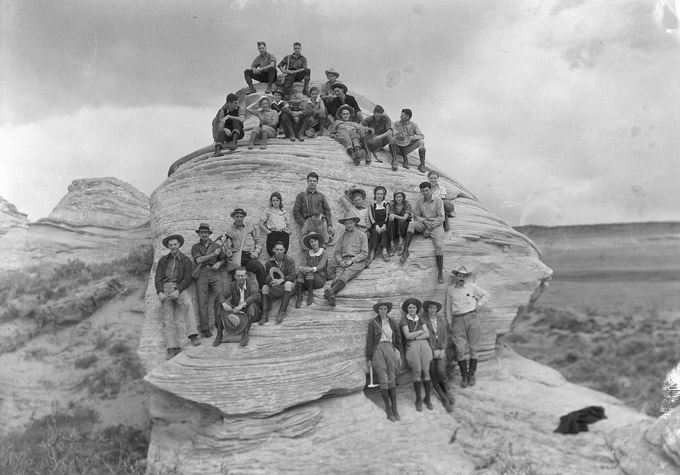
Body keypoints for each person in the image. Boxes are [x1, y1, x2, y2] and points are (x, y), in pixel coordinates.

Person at [155, 234, 200, 360]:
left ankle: (193, 336)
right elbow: (158, 278)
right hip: (165, 288)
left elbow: (187, 278)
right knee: (167, 317)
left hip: (179, 288)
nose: (173, 247)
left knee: (187, 304)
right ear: (168, 247)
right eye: (171, 245)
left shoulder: (185, 260)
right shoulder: (163, 260)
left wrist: (178, 290)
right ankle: (172, 347)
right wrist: (160, 291)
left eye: (175, 244)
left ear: (179, 245)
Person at [446, 266, 489, 388]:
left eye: (464, 276)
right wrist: (449, 321)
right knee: (460, 349)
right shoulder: (450, 289)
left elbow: (486, 295)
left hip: (471, 318)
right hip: (457, 320)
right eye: (460, 276)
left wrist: (479, 305)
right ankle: (464, 375)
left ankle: (472, 375)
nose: (462, 278)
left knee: (473, 348)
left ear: (466, 278)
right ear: (456, 276)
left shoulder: (472, 287)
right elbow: (448, 306)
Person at [400, 181, 446, 283]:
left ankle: (440, 273)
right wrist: (424, 221)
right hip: (424, 223)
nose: (425, 193)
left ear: (431, 190)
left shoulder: (438, 201)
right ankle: (405, 251)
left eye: (426, 190)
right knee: (412, 224)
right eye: (423, 191)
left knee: (438, 245)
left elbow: (441, 217)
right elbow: (416, 215)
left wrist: (429, 229)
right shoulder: (420, 202)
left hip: (436, 225)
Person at [366, 300, 403, 422]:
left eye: (385, 309)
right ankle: (388, 409)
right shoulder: (373, 323)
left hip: (390, 348)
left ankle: (395, 409)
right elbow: (370, 341)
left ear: (387, 310)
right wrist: (369, 358)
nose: (383, 311)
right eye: (381, 309)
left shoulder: (391, 322)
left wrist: (399, 353)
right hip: (377, 350)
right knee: (383, 379)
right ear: (378, 310)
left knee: (392, 378)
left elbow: (397, 338)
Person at [324, 210, 368, 307]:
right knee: (337, 275)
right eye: (347, 223)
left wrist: (351, 260)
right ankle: (333, 296)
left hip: (357, 262)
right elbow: (336, 253)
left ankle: (331, 291)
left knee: (346, 274)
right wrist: (340, 261)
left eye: (351, 223)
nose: (349, 225)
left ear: (355, 223)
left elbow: (364, 253)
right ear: (344, 224)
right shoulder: (342, 236)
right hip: (343, 262)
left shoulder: (362, 235)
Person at [191, 223, 225, 338]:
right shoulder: (195, 247)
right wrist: (212, 255)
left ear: (209, 234)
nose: (204, 234)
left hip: (215, 273)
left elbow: (223, 259)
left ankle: (219, 322)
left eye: (206, 232)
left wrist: (219, 263)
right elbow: (199, 260)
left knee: (221, 296)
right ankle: (205, 329)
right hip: (201, 273)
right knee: (202, 301)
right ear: (199, 234)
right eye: (202, 232)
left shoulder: (216, 245)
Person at [399, 298, 433, 412]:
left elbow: (427, 334)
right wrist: (419, 332)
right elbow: (407, 336)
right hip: (412, 347)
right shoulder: (404, 320)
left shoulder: (421, 319)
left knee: (426, 371)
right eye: (410, 308)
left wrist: (416, 336)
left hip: (424, 345)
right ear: (407, 309)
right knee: (417, 371)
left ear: (416, 309)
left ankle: (427, 398)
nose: (412, 309)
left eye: (413, 307)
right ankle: (418, 399)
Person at [213, 267, 261, 347]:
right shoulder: (232, 285)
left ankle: (245, 334)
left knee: (251, 305)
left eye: (242, 276)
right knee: (220, 304)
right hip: (237, 312)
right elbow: (221, 295)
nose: (240, 278)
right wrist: (224, 303)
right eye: (238, 276)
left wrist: (242, 304)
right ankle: (219, 335)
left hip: (251, 313)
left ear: (246, 276)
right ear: (235, 276)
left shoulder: (251, 284)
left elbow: (255, 295)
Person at [422, 300, 455, 412]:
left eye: (434, 308)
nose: (432, 310)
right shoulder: (423, 321)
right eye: (430, 308)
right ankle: (444, 399)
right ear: (427, 309)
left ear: (437, 310)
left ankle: (447, 390)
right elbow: (423, 338)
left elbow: (445, 337)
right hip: (429, 351)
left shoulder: (441, 320)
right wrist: (432, 351)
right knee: (433, 375)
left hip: (440, 351)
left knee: (441, 371)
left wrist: (442, 349)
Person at [223, 207, 266, 288]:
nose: (239, 219)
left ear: (244, 217)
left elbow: (258, 241)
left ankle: (262, 293)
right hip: (236, 258)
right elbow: (228, 247)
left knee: (260, 268)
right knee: (235, 276)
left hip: (249, 256)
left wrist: (256, 252)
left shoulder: (250, 227)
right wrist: (228, 253)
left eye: (241, 216)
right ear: (233, 217)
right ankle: (236, 298)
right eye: (237, 216)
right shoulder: (230, 231)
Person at [293, 172, 335, 247]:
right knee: (307, 245)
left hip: (320, 223)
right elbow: (296, 211)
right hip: (308, 222)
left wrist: (329, 225)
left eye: (314, 181)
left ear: (317, 182)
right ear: (307, 181)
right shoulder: (301, 196)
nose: (312, 183)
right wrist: (304, 223)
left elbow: (327, 211)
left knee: (322, 246)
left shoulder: (321, 196)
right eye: (310, 181)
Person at [261, 241, 296, 324]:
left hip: (287, 286)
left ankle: (281, 312)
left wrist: (282, 280)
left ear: (284, 250)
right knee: (265, 287)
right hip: (276, 287)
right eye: (277, 249)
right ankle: (265, 314)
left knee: (288, 284)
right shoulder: (269, 263)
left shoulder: (290, 260)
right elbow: (266, 279)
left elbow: (293, 276)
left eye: (281, 249)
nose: (279, 252)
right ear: (273, 250)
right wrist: (271, 282)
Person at [295, 232, 328, 308]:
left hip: (319, 278)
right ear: (309, 244)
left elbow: (321, 266)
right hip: (308, 278)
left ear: (318, 242)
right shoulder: (307, 253)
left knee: (308, 272)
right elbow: (303, 263)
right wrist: (302, 268)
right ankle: (299, 297)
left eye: (315, 241)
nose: (313, 243)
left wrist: (311, 269)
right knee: (300, 272)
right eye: (311, 242)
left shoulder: (324, 253)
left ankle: (310, 294)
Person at [260, 191, 291, 256]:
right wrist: (268, 232)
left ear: (280, 201)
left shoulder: (284, 212)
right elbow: (261, 224)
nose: (275, 202)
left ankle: (281, 265)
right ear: (271, 202)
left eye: (277, 200)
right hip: (273, 234)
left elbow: (288, 224)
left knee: (283, 253)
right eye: (273, 200)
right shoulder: (268, 211)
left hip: (283, 234)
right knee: (271, 252)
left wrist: (288, 231)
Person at [367, 186, 391, 263]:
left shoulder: (386, 204)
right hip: (375, 224)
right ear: (375, 194)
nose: (379, 195)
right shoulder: (372, 205)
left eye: (381, 194)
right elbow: (371, 216)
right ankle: (372, 251)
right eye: (378, 194)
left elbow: (388, 216)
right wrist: (376, 225)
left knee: (384, 232)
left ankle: (384, 251)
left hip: (384, 223)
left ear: (383, 195)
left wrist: (384, 225)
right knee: (374, 232)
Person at [387, 191, 411, 257]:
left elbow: (405, 218)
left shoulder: (407, 204)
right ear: (394, 198)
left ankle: (400, 244)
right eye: (396, 197)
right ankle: (392, 245)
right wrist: (391, 217)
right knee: (390, 224)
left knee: (401, 221)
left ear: (403, 197)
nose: (398, 198)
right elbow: (390, 217)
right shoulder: (392, 204)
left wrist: (394, 216)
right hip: (395, 226)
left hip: (404, 225)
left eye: (400, 197)